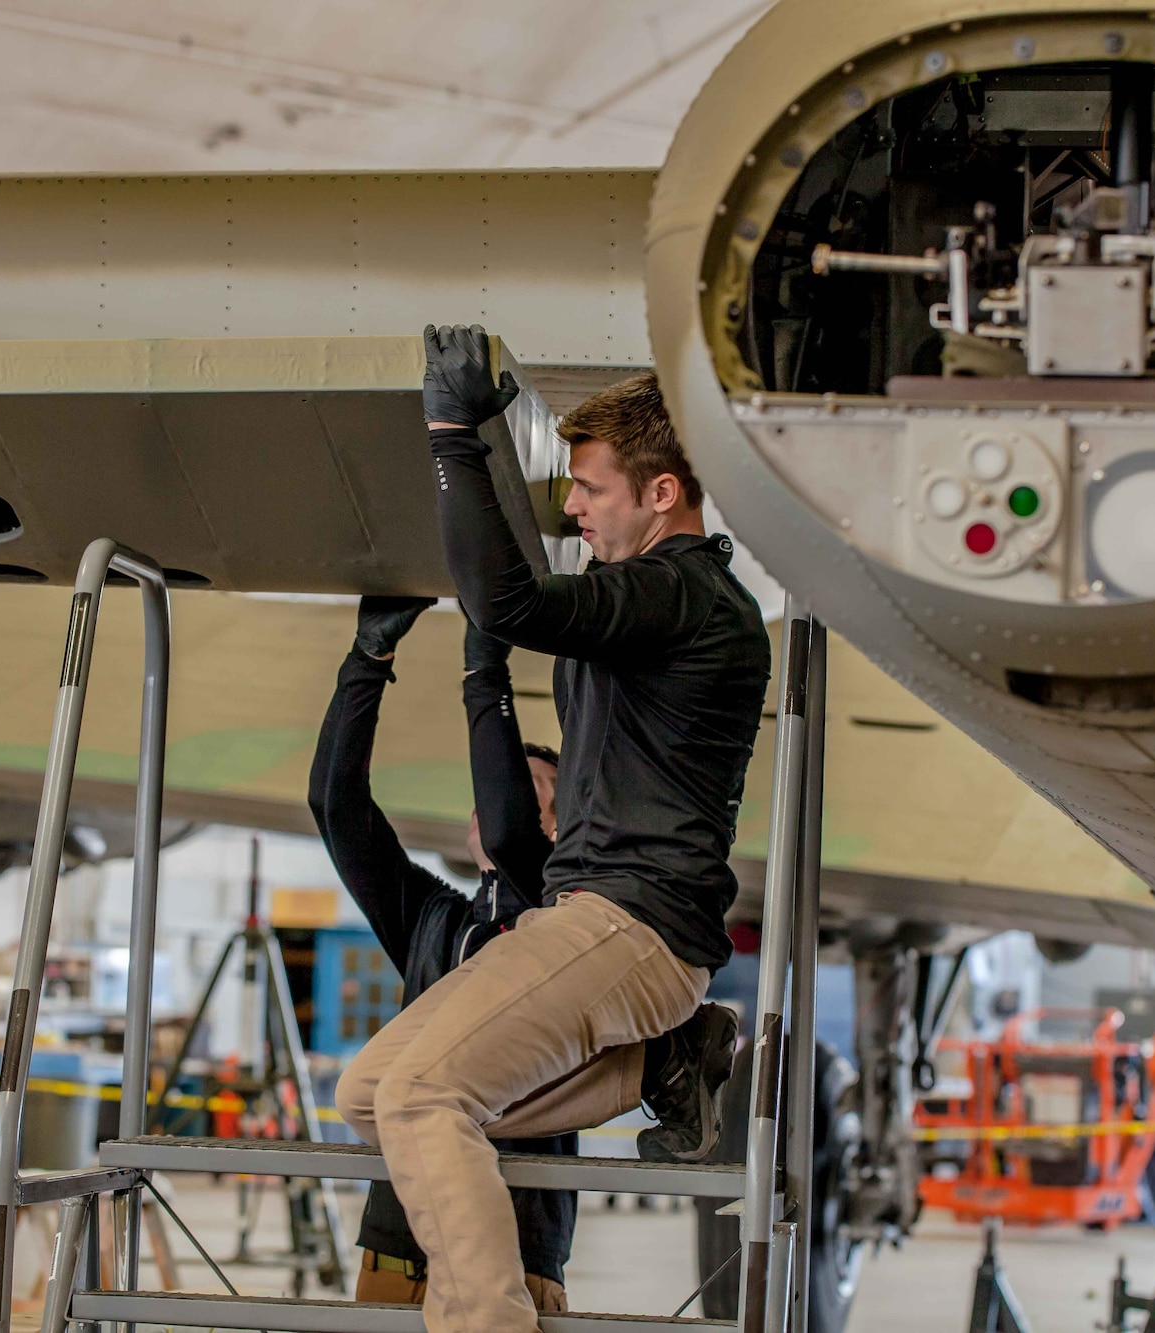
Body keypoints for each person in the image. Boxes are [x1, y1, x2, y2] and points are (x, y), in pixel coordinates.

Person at [335, 326, 771, 1333]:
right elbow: (513, 619)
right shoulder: (637, 602)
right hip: (582, 915)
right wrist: (473, 670)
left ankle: (487, 1323)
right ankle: (659, 1061)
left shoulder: (688, 595)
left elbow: (508, 596)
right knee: (371, 1092)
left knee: (420, 1101)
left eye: (589, 486)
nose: (570, 507)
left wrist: (455, 434)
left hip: (632, 923)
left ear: (661, 494)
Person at [307, 596, 575, 1311]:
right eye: (489, 792)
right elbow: (337, 806)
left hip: (515, 1250)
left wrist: (485, 665)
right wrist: (367, 661)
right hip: (401, 1237)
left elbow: (518, 835)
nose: (496, 802)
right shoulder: (435, 922)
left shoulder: (575, 926)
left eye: (530, 791)